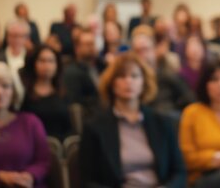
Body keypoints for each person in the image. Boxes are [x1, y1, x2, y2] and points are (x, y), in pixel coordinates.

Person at [80, 53, 186, 187]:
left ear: (143, 82)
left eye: (135, 76)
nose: (128, 81)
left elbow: (179, 172)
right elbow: (88, 181)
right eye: (122, 76)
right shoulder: (94, 127)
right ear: (112, 83)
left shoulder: (162, 122)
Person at [0, 62, 50, 187]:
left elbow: (43, 162)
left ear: (14, 92)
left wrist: (30, 176)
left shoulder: (31, 122)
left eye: (6, 86)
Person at [19, 45, 72, 141]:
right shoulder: (24, 93)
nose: (47, 65)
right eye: (42, 61)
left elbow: (69, 127)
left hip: (60, 147)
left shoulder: (63, 92)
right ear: (33, 63)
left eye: (51, 61)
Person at [63, 28, 104, 117]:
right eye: (87, 44)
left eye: (93, 44)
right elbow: (75, 101)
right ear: (77, 48)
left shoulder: (102, 66)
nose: (91, 47)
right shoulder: (72, 73)